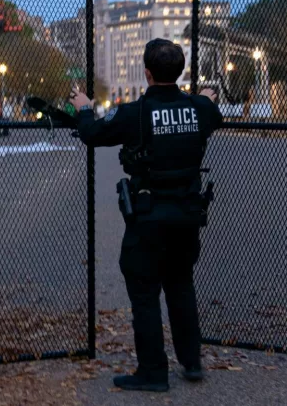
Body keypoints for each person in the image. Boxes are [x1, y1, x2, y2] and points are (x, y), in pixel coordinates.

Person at [69, 38, 222, 392]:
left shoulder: (134, 113)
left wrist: (83, 107)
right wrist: (206, 98)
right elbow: (210, 109)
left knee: (144, 293)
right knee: (181, 286)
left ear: (147, 73)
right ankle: (191, 362)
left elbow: (91, 133)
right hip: (187, 215)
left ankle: (153, 373)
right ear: (180, 72)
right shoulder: (199, 109)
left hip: (148, 217)